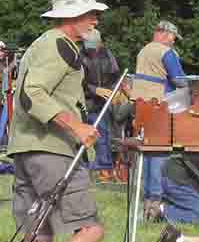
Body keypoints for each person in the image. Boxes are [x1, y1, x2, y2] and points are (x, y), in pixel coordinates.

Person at [7, 0, 108, 242]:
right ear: (70, 17)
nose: (96, 19)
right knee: (90, 229)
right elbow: (33, 94)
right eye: (90, 13)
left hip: (27, 147)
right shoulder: (59, 45)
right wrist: (75, 125)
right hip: (52, 149)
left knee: (40, 237)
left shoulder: (44, 43)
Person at [130, 20, 186, 219]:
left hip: (142, 105)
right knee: (159, 152)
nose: (174, 42)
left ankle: (147, 198)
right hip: (160, 104)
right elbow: (179, 80)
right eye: (173, 37)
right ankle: (156, 200)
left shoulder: (144, 51)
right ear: (164, 34)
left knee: (147, 150)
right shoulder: (166, 52)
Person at [80, 28, 123, 182]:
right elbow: (78, 81)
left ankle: (105, 169)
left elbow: (116, 75)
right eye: (88, 47)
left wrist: (115, 90)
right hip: (85, 101)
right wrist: (95, 89)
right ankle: (81, 168)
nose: (90, 50)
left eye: (93, 46)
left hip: (103, 103)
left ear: (99, 43)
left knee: (102, 135)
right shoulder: (79, 56)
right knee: (79, 137)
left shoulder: (107, 55)